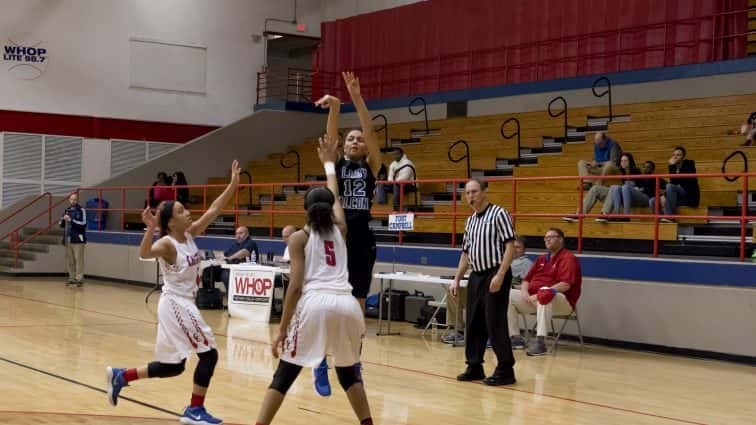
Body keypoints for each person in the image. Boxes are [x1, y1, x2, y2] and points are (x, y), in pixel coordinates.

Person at [105, 159, 241, 425]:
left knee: (173, 367)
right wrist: (152, 228)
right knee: (209, 354)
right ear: (170, 223)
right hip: (176, 303)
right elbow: (144, 253)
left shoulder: (188, 235)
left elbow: (214, 208)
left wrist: (233, 184)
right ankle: (194, 410)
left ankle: (122, 376)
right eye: (181, 211)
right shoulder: (167, 243)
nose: (187, 212)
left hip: (182, 303)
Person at [254, 134, 374, 425]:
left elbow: (295, 288)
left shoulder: (299, 237)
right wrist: (330, 167)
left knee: (283, 376)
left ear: (306, 210)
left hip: (316, 303)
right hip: (348, 305)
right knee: (349, 375)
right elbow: (335, 197)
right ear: (331, 208)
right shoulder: (341, 230)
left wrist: (282, 330)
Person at [311, 72, 381, 396]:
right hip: (338, 234)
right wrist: (335, 109)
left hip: (362, 238)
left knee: (358, 306)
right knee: (332, 300)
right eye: (350, 139)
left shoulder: (371, 166)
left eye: (359, 139)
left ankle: (354, 361)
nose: (355, 141)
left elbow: (369, 128)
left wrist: (357, 96)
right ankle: (321, 361)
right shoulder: (336, 166)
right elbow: (330, 138)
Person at [450, 178, 517, 386]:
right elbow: (465, 253)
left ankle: (506, 369)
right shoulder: (470, 221)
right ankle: (474, 365)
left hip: (495, 272)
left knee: (494, 321)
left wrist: (501, 274)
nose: (470, 196)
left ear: (484, 192)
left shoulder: (499, 214)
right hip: (476, 275)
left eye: (474, 191)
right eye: (467, 193)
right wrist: (457, 278)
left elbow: (510, 246)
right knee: (473, 321)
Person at [507, 228, 581, 356]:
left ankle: (540, 342)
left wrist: (538, 295)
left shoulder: (568, 258)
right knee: (507, 295)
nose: (547, 239)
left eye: (551, 237)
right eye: (545, 237)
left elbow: (565, 285)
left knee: (545, 293)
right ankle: (515, 337)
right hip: (534, 299)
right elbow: (527, 280)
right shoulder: (541, 259)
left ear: (561, 239)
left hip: (562, 302)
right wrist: (524, 292)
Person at [648, 146, 700, 223]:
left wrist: (672, 165)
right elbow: (673, 182)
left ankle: (670, 217)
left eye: (678, 155)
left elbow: (687, 179)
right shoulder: (673, 167)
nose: (675, 157)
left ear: (683, 157)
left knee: (669, 186)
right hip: (675, 197)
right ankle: (660, 223)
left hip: (688, 196)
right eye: (674, 155)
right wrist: (665, 195)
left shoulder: (689, 164)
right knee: (652, 201)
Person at [60, 193, 87, 286]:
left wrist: (71, 220)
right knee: (70, 260)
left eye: (75, 199)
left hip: (78, 239)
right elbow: (61, 225)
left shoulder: (81, 210)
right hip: (68, 238)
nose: (73, 201)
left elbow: (83, 224)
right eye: (71, 199)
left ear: (77, 200)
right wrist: (63, 220)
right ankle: (71, 278)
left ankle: (79, 279)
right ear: (69, 200)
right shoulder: (66, 210)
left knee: (79, 259)